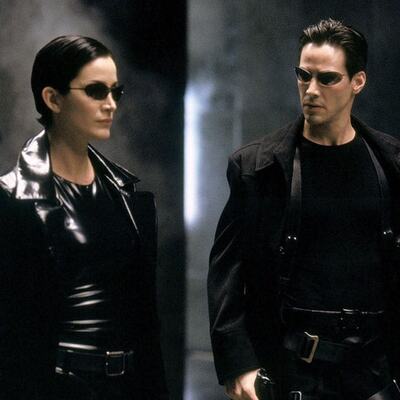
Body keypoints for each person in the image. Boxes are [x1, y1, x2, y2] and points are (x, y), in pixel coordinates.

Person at [208, 19, 400, 400]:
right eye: (303, 75)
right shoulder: (257, 168)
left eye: (327, 79)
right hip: (291, 371)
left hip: (373, 373)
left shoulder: (391, 164)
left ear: (357, 82)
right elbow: (227, 273)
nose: (311, 90)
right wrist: (239, 365)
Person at [0, 35, 168, 400]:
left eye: (115, 92)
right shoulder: (12, 200)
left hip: (127, 387)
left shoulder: (126, 195)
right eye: (96, 91)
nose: (111, 104)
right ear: (53, 98)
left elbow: (144, 320)